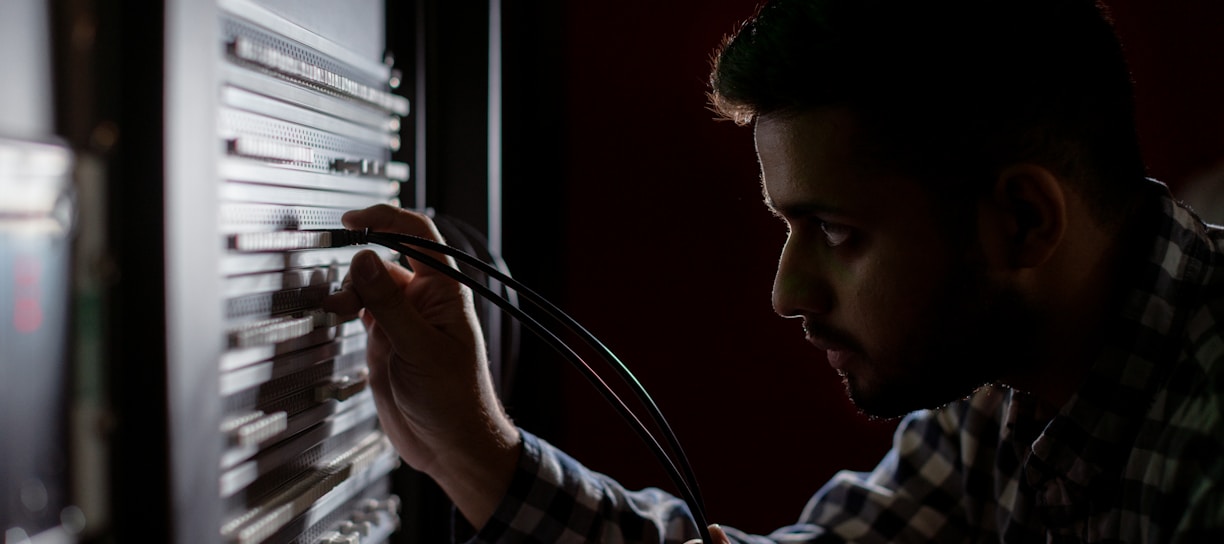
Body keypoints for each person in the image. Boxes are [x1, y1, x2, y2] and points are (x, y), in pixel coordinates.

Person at [323, 0, 1224, 541]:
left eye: (836, 232)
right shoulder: (1002, 383)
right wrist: (476, 450)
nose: (787, 294)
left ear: (1024, 220)